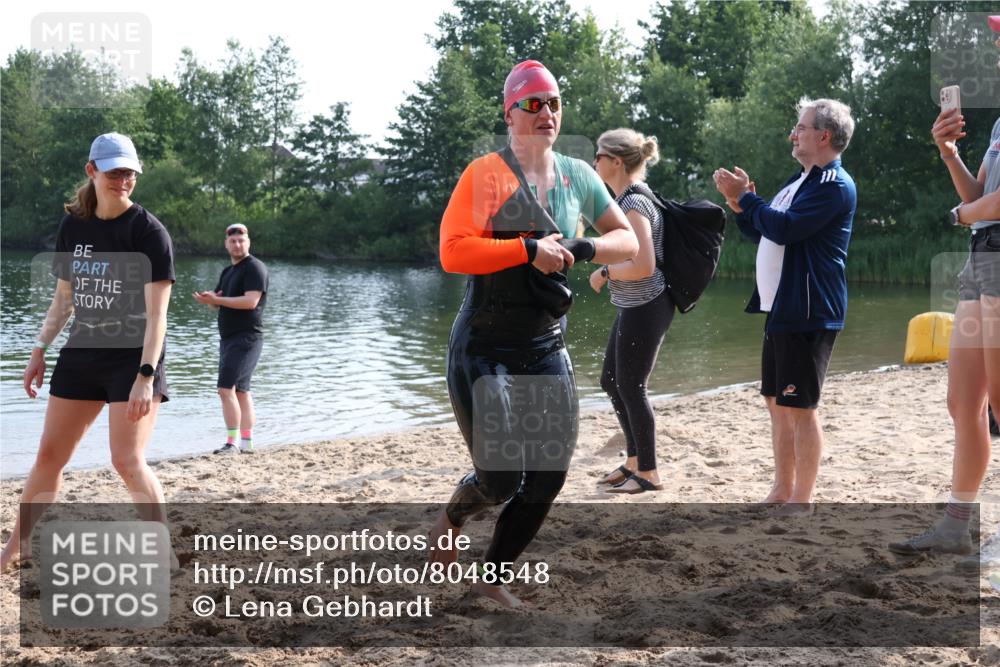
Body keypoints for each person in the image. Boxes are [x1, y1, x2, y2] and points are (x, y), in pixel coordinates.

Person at [430, 60, 638, 607]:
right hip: (483, 346)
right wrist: (527, 249)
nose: (546, 112)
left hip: (545, 344)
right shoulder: (486, 174)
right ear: (510, 115)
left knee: (548, 477)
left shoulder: (577, 175)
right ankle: (452, 517)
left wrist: (584, 247)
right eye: (533, 103)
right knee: (499, 477)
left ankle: (491, 577)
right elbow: (452, 252)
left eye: (553, 103)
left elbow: (628, 241)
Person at [1, 132, 174, 571]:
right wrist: (39, 349)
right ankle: (15, 546)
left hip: (134, 357)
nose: (123, 180)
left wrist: (146, 376)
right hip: (83, 350)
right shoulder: (73, 226)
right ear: (92, 170)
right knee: (49, 456)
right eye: (114, 172)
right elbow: (64, 299)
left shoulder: (148, 232)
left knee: (126, 460)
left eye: (130, 173)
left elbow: (158, 317)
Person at [889, 15, 1000, 573]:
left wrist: (960, 214)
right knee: (964, 401)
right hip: (982, 259)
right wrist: (949, 152)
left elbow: (984, 205)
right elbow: (980, 192)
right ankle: (957, 525)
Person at [714, 98, 857, 516]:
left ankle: (802, 498)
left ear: (824, 136)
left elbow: (788, 229)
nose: (793, 134)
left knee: (800, 406)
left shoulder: (833, 184)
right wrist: (742, 205)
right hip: (781, 307)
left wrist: (748, 200)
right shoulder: (800, 181)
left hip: (809, 308)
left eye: (801, 128)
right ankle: (781, 489)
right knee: (776, 401)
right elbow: (765, 231)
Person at [589, 129, 673, 494]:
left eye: (598, 156)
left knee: (631, 386)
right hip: (634, 304)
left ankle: (649, 472)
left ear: (616, 161)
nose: (594, 162)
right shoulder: (626, 200)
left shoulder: (635, 204)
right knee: (612, 381)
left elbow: (644, 265)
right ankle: (635, 461)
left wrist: (605, 272)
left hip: (647, 304)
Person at [193, 223, 268, 455]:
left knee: (225, 389)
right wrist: (210, 299)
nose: (237, 245)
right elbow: (219, 301)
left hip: (247, 337)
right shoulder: (228, 271)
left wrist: (218, 300)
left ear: (248, 242)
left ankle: (231, 443)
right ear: (226, 244)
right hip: (228, 339)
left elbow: (250, 301)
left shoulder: (254, 267)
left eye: (241, 240)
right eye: (233, 241)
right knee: (241, 391)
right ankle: (247, 444)